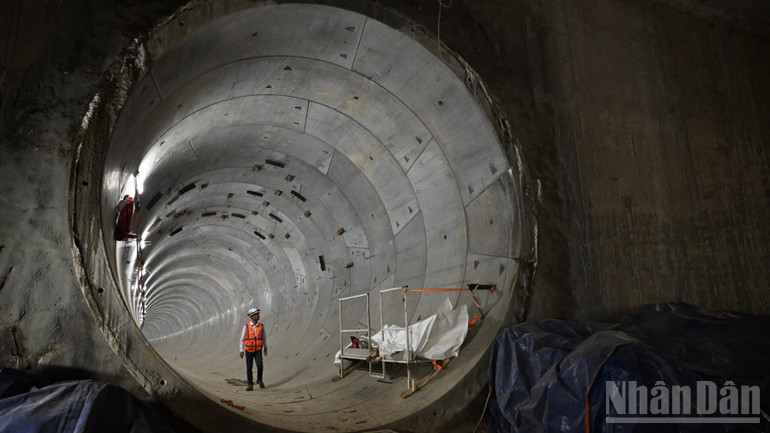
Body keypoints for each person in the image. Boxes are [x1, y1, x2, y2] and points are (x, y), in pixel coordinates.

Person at [239, 308, 267, 390]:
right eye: (257, 314)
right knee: (249, 368)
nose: (258, 316)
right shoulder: (246, 327)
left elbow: (264, 337)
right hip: (249, 350)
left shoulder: (261, 326)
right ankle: (250, 384)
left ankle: (259, 379)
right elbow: (242, 339)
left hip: (258, 350)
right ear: (252, 316)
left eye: (258, 314)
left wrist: (265, 347)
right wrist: (241, 350)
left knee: (260, 365)